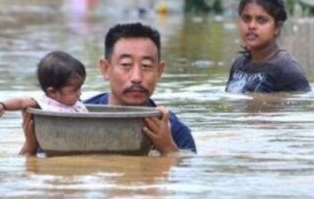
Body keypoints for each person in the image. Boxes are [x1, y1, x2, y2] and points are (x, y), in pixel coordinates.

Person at [20, 23, 196, 156]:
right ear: (105, 68)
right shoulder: (73, 117)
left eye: (146, 66)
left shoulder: (174, 131)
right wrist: (30, 146)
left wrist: (168, 149)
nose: (136, 77)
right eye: (126, 65)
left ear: (159, 71)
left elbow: (191, 178)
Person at [225, 0, 311, 93]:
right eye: (246, 19)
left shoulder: (287, 70)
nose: (251, 26)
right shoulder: (239, 64)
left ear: (277, 27)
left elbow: (301, 104)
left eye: (261, 20)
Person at [0, 51, 88, 117]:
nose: (79, 93)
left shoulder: (75, 103)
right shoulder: (45, 102)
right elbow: (21, 102)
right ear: (52, 92)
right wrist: (3, 105)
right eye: (74, 90)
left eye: (79, 88)